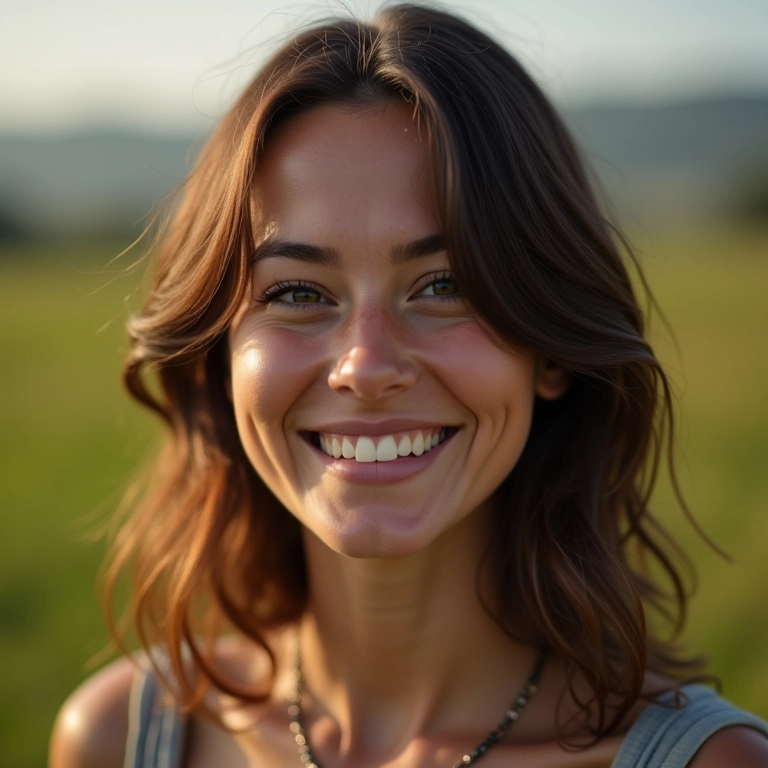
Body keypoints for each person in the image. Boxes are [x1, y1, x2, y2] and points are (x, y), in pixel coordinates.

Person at [50, 4, 768, 767]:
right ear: (221, 358)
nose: (365, 365)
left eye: (445, 285)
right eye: (296, 293)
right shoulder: (116, 738)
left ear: (550, 350)